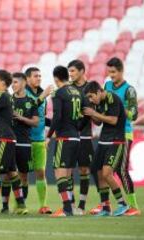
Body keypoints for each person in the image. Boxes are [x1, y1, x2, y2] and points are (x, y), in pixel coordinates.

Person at [83, 81, 130, 216]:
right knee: (96, 171)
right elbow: (99, 122)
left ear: (99, 91)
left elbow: (113, 120)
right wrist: (90, 114)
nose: (91, 99)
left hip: (116, 141)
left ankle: (122, 204)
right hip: (104, 141)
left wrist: (94, 113)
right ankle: (105, 207)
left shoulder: (113, 98)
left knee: (107, 173)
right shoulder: (98, 103)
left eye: (92, 96)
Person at [0, 70, 28, 215]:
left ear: (3, 83)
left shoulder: (0, 95)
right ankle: (21, 205)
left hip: (3, 138)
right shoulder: (9, 97)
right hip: (10, 138)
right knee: (11, 173)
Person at [103, 57, 140, 216]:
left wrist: (119, 107)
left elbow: (134, 115)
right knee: (109, 170)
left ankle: (134, 206)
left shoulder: (129, 90)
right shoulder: (107, 85)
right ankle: (114, 205)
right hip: (109, 133)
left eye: (113, 72)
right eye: (109, 72)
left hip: (124, 133)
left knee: (122, 170)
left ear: (121, 71)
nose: (111, 75)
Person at [0, 72, 39, 213]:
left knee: (23, 175)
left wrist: (21, 118)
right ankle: (4, 206)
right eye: (12, 83)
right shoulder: (7, 99)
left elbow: (36, 122)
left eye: (15, 82)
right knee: (6, 174)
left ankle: (20, 205)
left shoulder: (31, 101)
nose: (13, 85)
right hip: (9, 141)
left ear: (23, 83)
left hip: (24, 143)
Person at [47, 66, 82, 217]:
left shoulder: (59, 93)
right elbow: (85, 114)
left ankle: (66, 208)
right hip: (75, 137)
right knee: (67, 173)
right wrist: (77, 128)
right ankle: (72, 205)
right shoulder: (77, 91)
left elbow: (57, 117)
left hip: (64, 138)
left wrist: (49, 135)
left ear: (55, 78)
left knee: (59, 172)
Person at [67, 59, 95, 214]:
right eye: (69, 71)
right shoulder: (68, 89)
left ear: (82, 71)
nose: (70, 74)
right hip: (70, 135)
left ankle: (82, 205)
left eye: (73, 71)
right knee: (68, 170)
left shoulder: (90, 88)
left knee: (84, 170)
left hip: (84, 135)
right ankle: (70, 204)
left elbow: (90, 113)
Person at [24, 67, 52, 214]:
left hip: (40, 140)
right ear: (27, 79)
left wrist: (57, 124)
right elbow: (28, 111)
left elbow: (41, 118)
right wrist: (42, 97)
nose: (39, 78)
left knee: (40, 172)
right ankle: (21, 206)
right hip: (25, 140)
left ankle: (43, 205)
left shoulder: (43, 96)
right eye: (36, 76)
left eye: (40, 76)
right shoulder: (23, 93)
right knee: (23, 174)